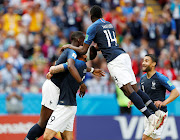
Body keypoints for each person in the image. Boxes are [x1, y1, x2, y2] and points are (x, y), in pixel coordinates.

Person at [61, 5, 167, 136]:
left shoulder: (92, 27)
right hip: (123, 55)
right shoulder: (109, 24)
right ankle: (158, 112)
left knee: (127, 91)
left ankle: (151, 117)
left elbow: (83, 50)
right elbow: (105, 44)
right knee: (136, 89)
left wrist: (68, 46)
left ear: (91, 16)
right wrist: (96, 48)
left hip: (114, 60)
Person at [25, 31, 104, 140]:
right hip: (54, 87)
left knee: (47, 127)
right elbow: (72, 66)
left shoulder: (75, 58)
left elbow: (69, 66)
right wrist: (91, 71)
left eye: (85, 47)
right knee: (44, 124)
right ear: (79, 41)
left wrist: (52, 70)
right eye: (83, 43)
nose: (83, 46)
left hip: (61, 94)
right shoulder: (72, 53)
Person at [130, 54, 179, 140]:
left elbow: (175, 92)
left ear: (153, 64)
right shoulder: (142, 79)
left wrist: (164, 103)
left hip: (159, 114)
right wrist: (134, 99)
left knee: (145, 138)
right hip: (149, 114)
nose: (143, 63)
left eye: (146, 61)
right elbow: (143, 95)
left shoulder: (161, 77)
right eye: (143, 60)